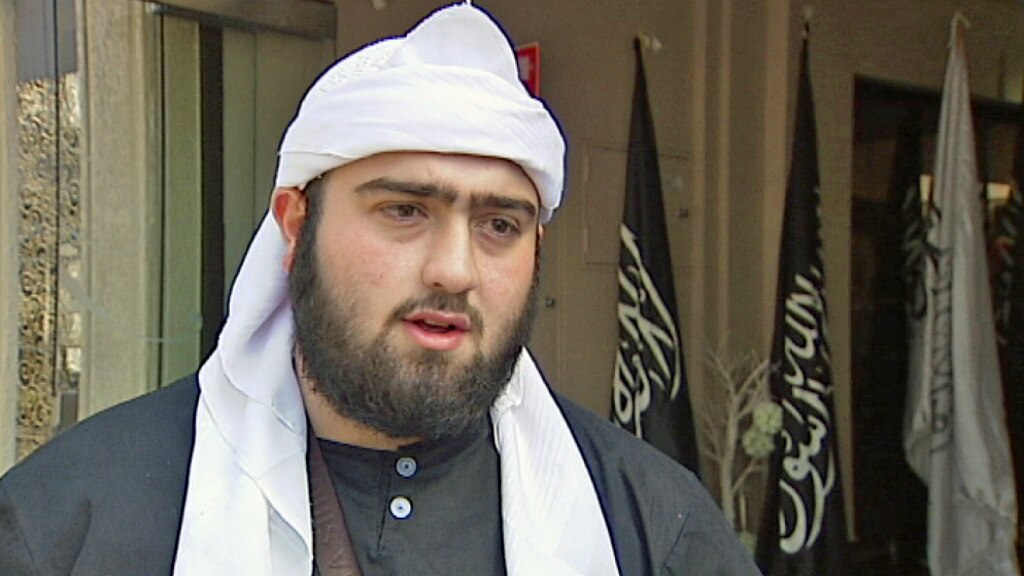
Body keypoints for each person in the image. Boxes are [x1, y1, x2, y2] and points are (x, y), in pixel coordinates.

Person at [0, 4, 761, 575]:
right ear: (296, 223)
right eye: (405, 211)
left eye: (499, 225)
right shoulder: (69, 519)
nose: (454, 270)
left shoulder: (650, 524)